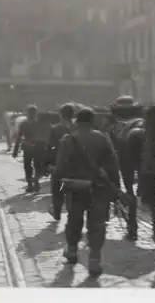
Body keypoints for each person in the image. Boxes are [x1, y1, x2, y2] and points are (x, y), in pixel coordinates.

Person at [53, 107, 120, 278]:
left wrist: (58, 195)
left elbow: (59, 170)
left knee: (74, 220)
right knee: (96, 224)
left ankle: (72, 252)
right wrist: (115, 190)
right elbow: (113, 166)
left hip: (75, 189)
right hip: (98, 189)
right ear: (92, 121)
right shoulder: (102, 138)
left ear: (77, 121)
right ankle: (94, 260)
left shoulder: (68, 139)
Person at [46, 103, 75, 221]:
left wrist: (47, 163)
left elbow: (49, 147)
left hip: (60, 163)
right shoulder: (78, 127)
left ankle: (57, 212)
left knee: (57, 189)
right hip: (75, 164)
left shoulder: (56, 128)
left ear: (60, 115)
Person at [12, 105, 43, 192]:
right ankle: (36, 183)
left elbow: (19, 137)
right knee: (37, 166)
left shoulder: (24, 124)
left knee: (28, 166)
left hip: (28, 147)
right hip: (37, 147)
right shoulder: (39, 124)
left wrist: (15, 150)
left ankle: (30, 185)